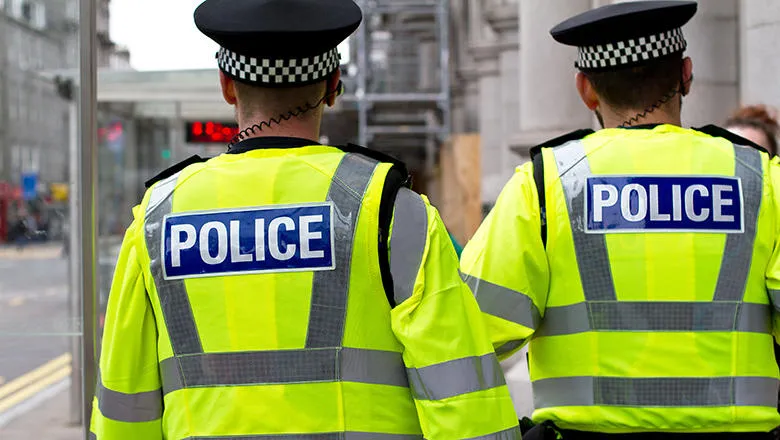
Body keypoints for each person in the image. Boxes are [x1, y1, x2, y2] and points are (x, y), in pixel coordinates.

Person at [89, 1, 519, 439]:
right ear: (334, 85)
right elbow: (465, 400)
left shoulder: (158, 220)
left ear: (227, 86)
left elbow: (124, 410)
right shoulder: (392, 210)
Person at [461, 1, 780, 438]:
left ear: (586, 89)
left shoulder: (545, 184)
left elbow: (468, 334)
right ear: (686, 74)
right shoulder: (760, 180)